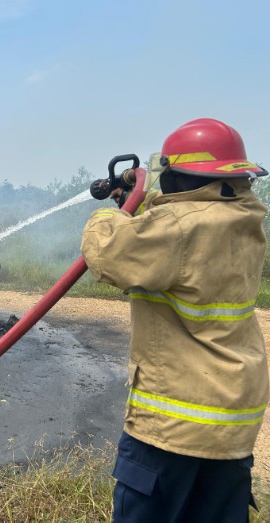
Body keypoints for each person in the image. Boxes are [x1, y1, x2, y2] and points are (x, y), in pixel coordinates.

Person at [80, 118, 269, 522]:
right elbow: (184, 221)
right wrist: (141, 203)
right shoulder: (246, 218)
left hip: (174, 427)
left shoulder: (177, 229)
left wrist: (106, 217)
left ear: (179, 175)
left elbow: (109, 253)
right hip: (231, 425)